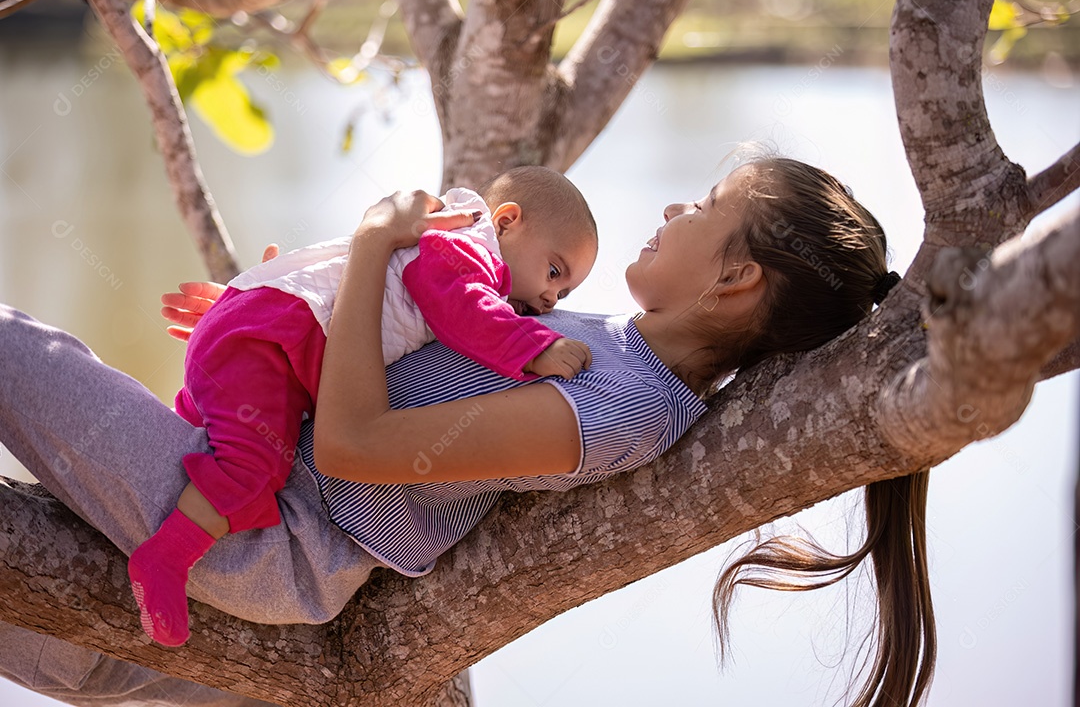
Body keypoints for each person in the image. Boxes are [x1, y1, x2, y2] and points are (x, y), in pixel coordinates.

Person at [0, 157, 911, 707]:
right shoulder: (593, 340)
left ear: (736, 279)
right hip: (256, 488)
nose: (675, 210)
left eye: (707, 206)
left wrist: (366, 254)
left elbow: (357, 446)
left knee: (16, 353)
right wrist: (279, 316)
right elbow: (396, 354)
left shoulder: (622, 403)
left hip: (277, 542)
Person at [128, 166, 599, 647]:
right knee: (254, 465)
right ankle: (165, 557)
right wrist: (534, 347)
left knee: (208, 438)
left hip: (271, 337)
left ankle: (155, 485)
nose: (549, 297)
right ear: (506, 222)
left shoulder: (458, 246)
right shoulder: (465, 248)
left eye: (563, 293)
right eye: (554, 271)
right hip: (269, 341)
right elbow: (463, 308)